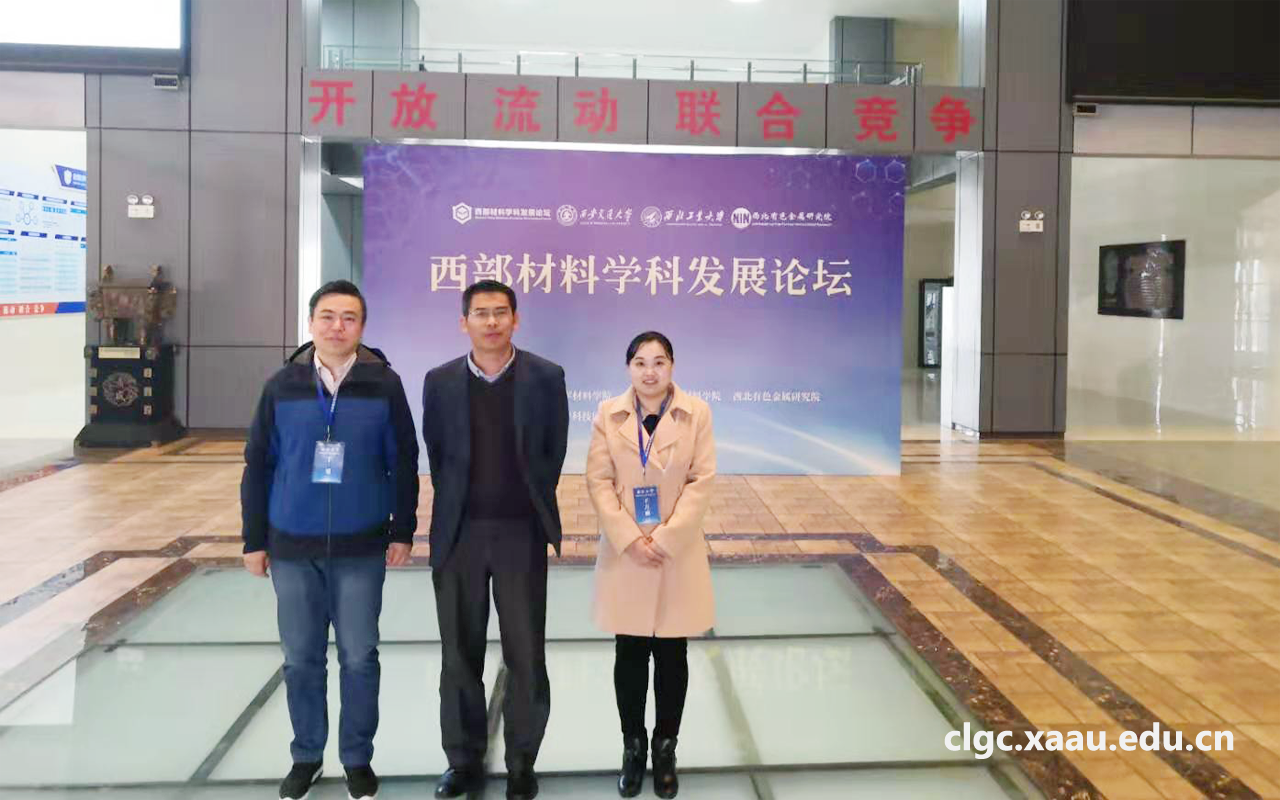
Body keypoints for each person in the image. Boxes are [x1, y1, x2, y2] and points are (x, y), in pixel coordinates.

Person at [241, 279, 420, 800]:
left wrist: (402, 530)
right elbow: (258, 464)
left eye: (349, 318)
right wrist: (254, 539)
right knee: (301, 658)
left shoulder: (384, 384)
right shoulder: (282, 385)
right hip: (291, 547)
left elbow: (403, 461)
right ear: (311, 322)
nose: (337, 326)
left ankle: (357, 758)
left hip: (361, 546)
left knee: (360, 657)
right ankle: (307, 756)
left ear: (362, 327)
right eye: (327, 316)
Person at [421, 280, 569, 800]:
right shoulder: (439, 381)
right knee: (458, 654)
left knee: (526, 653)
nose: (491, 322)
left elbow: (552, 452)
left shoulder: (546, 377)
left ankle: (522, 762)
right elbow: (437, 453)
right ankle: (462, 761)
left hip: (519, 533)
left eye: (500, 312)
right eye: (480, 313)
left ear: (515, 319)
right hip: (459, 533)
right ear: (463, 322)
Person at [585, 331, 717, 799]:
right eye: (640, 362)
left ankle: (665, 749)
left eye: (659, 362)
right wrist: (629, 537)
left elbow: (702, 480)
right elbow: (598, 480)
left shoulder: (697, 413)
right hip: (627, 553)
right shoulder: (608, 413)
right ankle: (633, 747)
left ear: (672, 366)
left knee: (672, 654)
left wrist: (665, 537)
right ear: (629, 368)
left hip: (675, 551)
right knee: (629, 652)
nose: (650, 371)